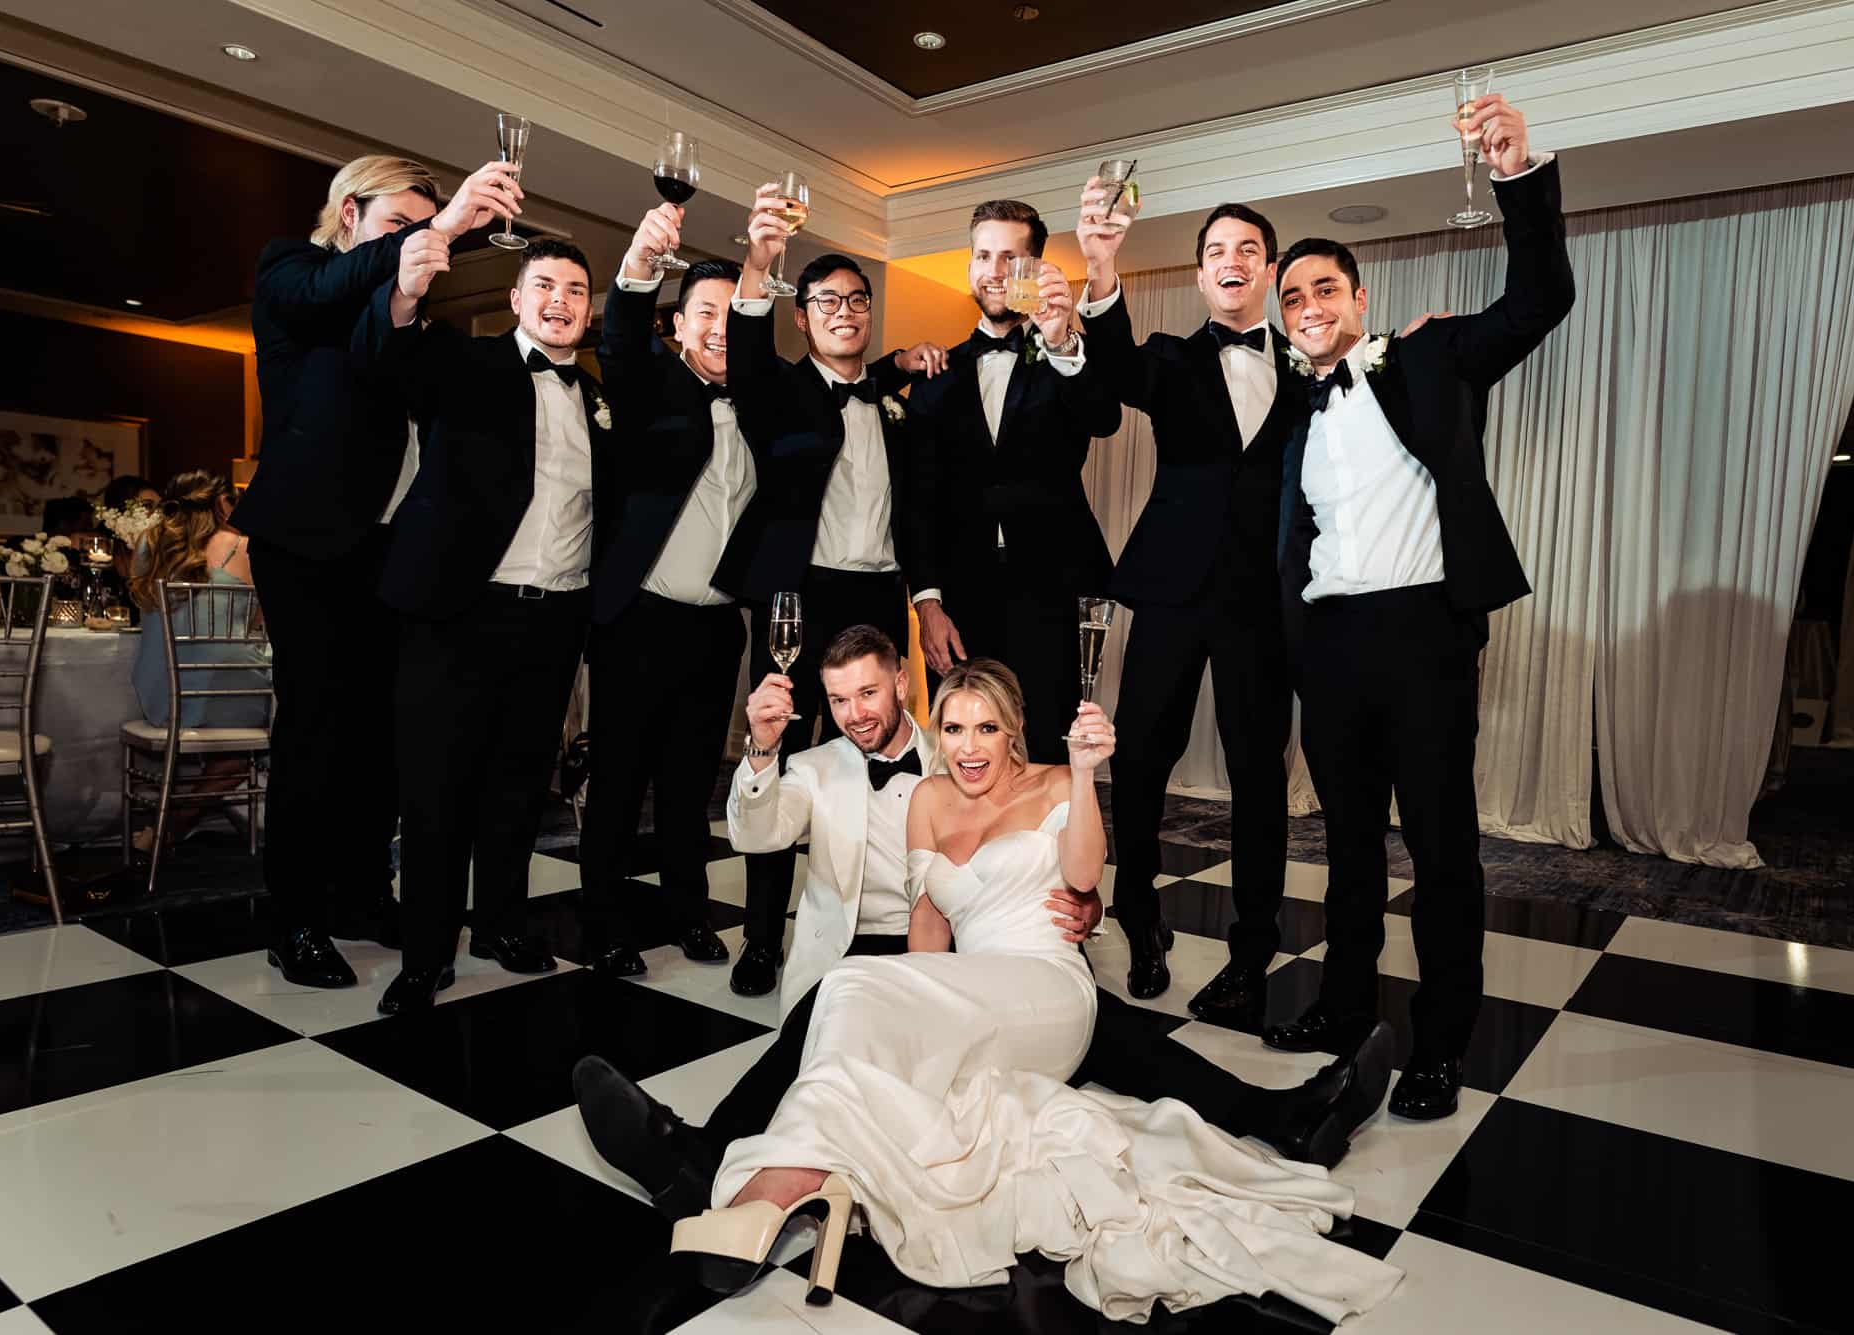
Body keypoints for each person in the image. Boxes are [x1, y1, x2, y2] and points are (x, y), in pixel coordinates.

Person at [570, 627, 1393, 1236]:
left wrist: (1091, 901)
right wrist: (760, 749)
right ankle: (1285, 1116)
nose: (857, 713)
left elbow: (1067, 877)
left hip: (1000, 964)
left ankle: (707, 1163)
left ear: (903, 682)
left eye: (871, 691)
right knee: (844, 999)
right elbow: (777, 847)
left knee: (1083, 1029)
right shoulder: (826, 769)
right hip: (918, 967)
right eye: (841, 699)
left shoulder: (970, 754)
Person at [1263, 96, 1575, 1123]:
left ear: (1358, 296)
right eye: (1290, 294)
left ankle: (1440, 1044)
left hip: (1422, 635)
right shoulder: (1290, 409)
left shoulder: (1430, 355)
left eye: (1322, 286)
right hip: (1332, 645)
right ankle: (1346, 1009)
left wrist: (1514, 175)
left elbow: (1537, 299)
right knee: (1346, 846)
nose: (1307, 302)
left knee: (1440, 850)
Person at [237, 152, 523, 989]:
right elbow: (330, 296)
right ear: (349, 213)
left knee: (381, 736)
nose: (414, 241)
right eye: (396, 222)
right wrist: (442, 225)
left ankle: (361, 893)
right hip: (303, 541)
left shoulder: (402, 319)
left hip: (385, 551)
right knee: (315, 728)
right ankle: (291, 919)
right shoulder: (292, 269)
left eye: (418, 225)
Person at [1071, 192, 1306, 1027]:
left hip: (1261, 604)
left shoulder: (1309, 367)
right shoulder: (1168, 358)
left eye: (1248, 248)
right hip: (1172, 590)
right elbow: (1112, 367)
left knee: (1257, 780)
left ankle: (1251, 953)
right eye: (1216, 250)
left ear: (1268, 270)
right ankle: (1140, 922)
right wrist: (1101, 264)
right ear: (1202, 271)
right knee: (1139, 767)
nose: (1232, 260)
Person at [353, 233, 603, 1014]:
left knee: (519, 785)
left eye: (575, 289)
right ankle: (426, 955)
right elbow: (393, 357)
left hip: (556, 615)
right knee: (436, 791)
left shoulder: (598, 394)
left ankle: (500, 924)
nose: (561, 300)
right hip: (461, 614)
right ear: (517, 300)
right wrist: (407, 282)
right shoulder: (467, 363)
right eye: (546, 286)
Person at [711, 184, 943, 998]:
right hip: (797, 602)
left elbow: (913, 515)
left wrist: (925, 597)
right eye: (826, 302)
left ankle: (883, 914)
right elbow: (744, 357)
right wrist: (760, 261)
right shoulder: (779, 390)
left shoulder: (890, 398)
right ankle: (763, 940)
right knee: (780, 753)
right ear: (802, 318)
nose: (845, 310)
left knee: (876, 756)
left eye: (857, 299)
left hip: (879, 598)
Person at [578, 205, 750, 975]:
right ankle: (603, 924)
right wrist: (640, 264)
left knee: (690, 783)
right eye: (704, 311)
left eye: (731, 312)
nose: (718, 327)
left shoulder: (760, 400)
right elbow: (618, 338)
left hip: (717, 627)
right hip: (640, 620)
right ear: (679, 323)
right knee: (619, 781)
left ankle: (689, 913)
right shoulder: (651, 385)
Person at [906, 199, 1118, 766]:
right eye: (983, 255)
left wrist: (1061, 342)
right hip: (963, 593)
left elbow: (1104, 419)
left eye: (1010, 257)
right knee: (968, 748)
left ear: (1034, 267)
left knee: (1049, 745)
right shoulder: (934, 376)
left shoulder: (1066, 354)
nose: (994, 270)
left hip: (1054, 585)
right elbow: (918, 499)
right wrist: (928, 604)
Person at [125, 470, 271, 854]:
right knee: (247, 747)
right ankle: (171, 826)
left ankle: (166, 827)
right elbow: (259, 623)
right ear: (221, 503)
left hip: (162, 692)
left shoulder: (146, 544)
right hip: (229, 690)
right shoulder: (244, 548)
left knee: (233, 744)